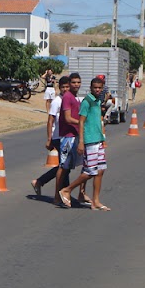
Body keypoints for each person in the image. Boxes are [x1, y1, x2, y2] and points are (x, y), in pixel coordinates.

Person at [59, 77, 110, 211]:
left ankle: (96, 201)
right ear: (91, 88)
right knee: (90, 171)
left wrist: (103, 138)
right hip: (89, 140)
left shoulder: (98, 101)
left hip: (98, 140)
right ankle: (66, 190)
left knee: (100, 170)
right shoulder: (87, 101)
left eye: (100, 88)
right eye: (95, 88)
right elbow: (81, 121)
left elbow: (98, 121)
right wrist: (81, 142)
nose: (97, 90)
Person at [31, 77, 71, 201]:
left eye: (67, 87)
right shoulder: (57, 102)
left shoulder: (70, 100)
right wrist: (49, 139)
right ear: (59, 88)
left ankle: (42, 183)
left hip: (67, 137)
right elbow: (50, 121)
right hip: (57, 137)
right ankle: (62, 192)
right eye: (63, 87)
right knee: (65, 166)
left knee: (65, 165)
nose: (65, 89)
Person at [55, 73, 83, 208]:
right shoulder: (67, 97)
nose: (76, 85)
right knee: (63, 166)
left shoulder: (75, 98)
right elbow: (67, 118)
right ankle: (56, 196)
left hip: (75, 135)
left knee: (70, 166)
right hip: (67, 137)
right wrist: (82, 123)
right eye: (74, 82)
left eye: (78, 82)